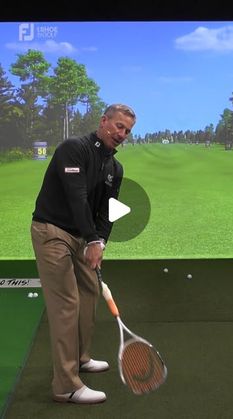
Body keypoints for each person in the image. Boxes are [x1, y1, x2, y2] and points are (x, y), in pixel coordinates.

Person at [30, 104, 136, 405]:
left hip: (83, 236)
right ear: (103, 122)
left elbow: (107, 211)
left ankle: (80, 358)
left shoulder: (115, 168)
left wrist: (99, 242)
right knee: (67, 303)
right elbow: (77, 197)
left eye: (127, 131)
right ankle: (66, 386)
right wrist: (91, 239)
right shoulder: (73, 149)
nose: (122, 134)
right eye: (118, 126)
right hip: (52, 231)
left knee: (89, 293)